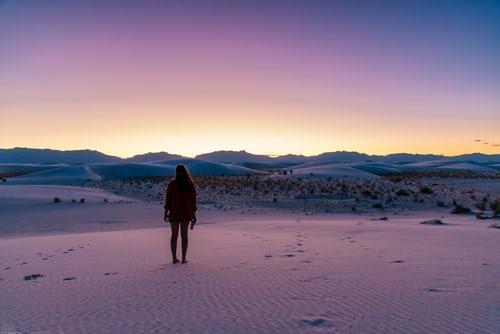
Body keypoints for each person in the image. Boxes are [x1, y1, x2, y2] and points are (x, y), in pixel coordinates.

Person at [164, 164, 197, 264]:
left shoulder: (172, 184)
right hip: (186, 213)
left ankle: (174, 258)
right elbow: (193, 201)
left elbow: (168, 199)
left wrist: (166, 212)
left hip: (174, 212)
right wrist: (194, 215)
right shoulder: (190, 184)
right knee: (184, 236)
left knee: (174, 236)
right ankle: (183, 258)